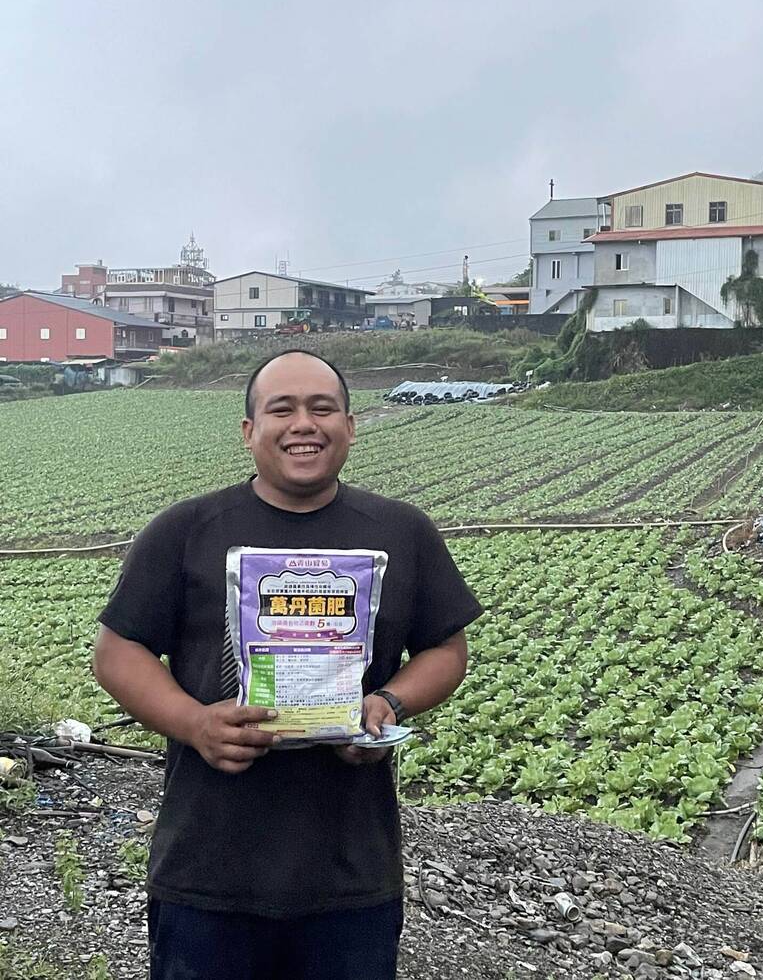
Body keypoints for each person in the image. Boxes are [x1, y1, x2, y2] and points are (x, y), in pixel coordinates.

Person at [92, 350, 482, 980]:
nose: (305, 423)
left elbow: (445, 649)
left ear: (350, 427)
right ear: (249, 431)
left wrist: (388, 705)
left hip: (351, 875)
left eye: (322, 408)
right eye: (283, 409)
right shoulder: (186, 530)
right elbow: (117, 652)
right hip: (207, 871)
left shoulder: (401, 531)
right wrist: (195, 724)